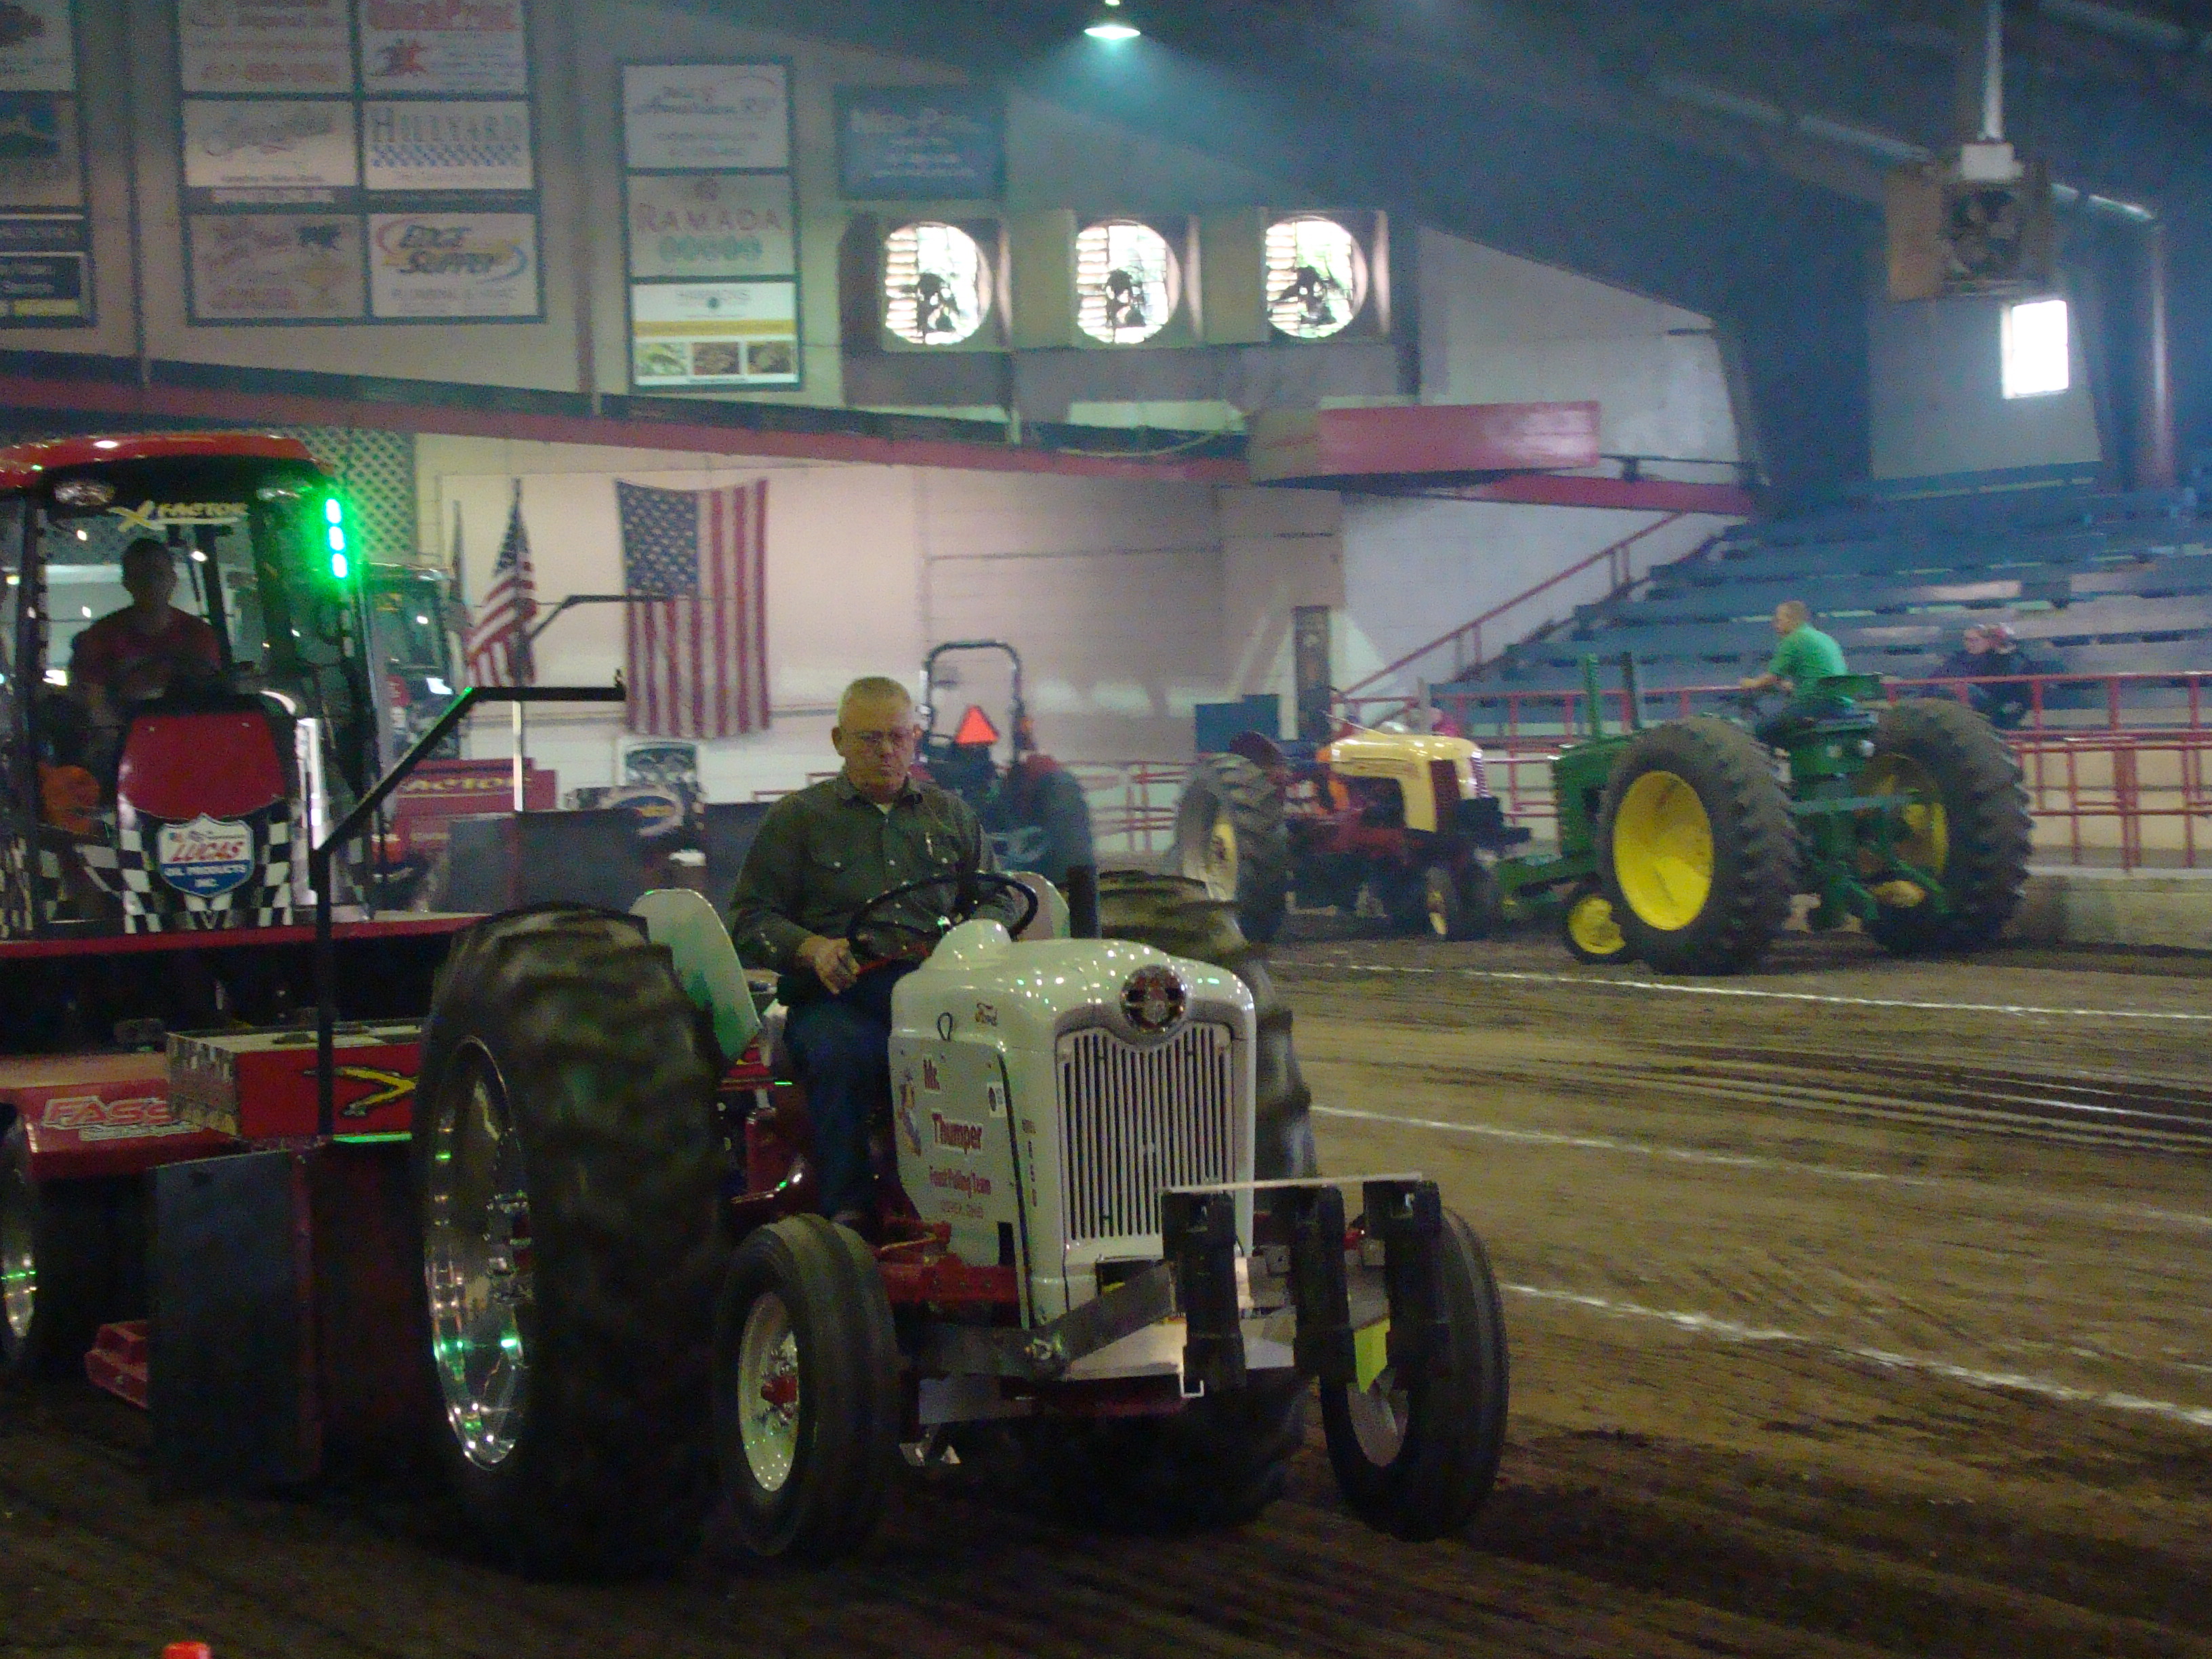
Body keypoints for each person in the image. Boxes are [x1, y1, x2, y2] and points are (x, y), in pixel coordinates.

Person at [728, 675, 1013, 1229]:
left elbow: (999, 898)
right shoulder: (797, 822)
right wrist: (810, 948)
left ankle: (992, 1206)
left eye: (897, 737)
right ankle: (849, 1212)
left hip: (939, 997)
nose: (885, 751)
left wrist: (973, 938)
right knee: (841, 1055)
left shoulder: (950, 818)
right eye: (868, 739)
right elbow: (748, 919)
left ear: (916, 738)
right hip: (842, 1000)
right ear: (838, 741)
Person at [68, 538, 222, 737]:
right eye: (140, 576)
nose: (151, 584)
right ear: (127, 583)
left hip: (193, 739)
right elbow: (95, 706)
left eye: (158, 575)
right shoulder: (101, 637)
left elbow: (214, 699)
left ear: (173, 579)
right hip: (122, 742)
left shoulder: (198, 635)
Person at [1738, 599, 1849, 747]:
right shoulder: (1824, 638)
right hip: (1842, 706)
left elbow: (1772, 677)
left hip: (1815, 706)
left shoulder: (1793, 640)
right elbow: (1818, 673)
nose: (1775, 625)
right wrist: (1793, 687)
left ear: (1791, 619)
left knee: (1758, 732)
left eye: (1778, 620)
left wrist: (1751, 683)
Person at [1937, 620, 2038, 731]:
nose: (1970, 644)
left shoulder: (2017, 660)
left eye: (1974, 640)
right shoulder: (1973, 658)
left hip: (2003, 707)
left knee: (1965, 689)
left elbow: (2009, 690)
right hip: (1985, 704)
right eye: (1967, 640)